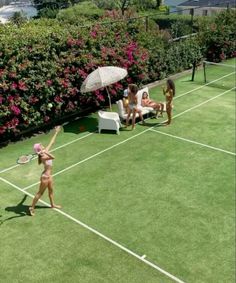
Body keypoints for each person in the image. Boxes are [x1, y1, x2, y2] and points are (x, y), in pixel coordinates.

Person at [29, 126, 61, 216]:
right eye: (41, 145)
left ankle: (52, 205)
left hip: (49, 176)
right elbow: (53, 157)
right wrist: (45, 151)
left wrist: (56, 132)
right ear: (40, 149)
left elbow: (52, 142)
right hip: (45, 177)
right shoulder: (43, 156)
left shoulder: (44, 152)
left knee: (51, 190)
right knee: (40, 193)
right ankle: (32, 207)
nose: (43, 145)